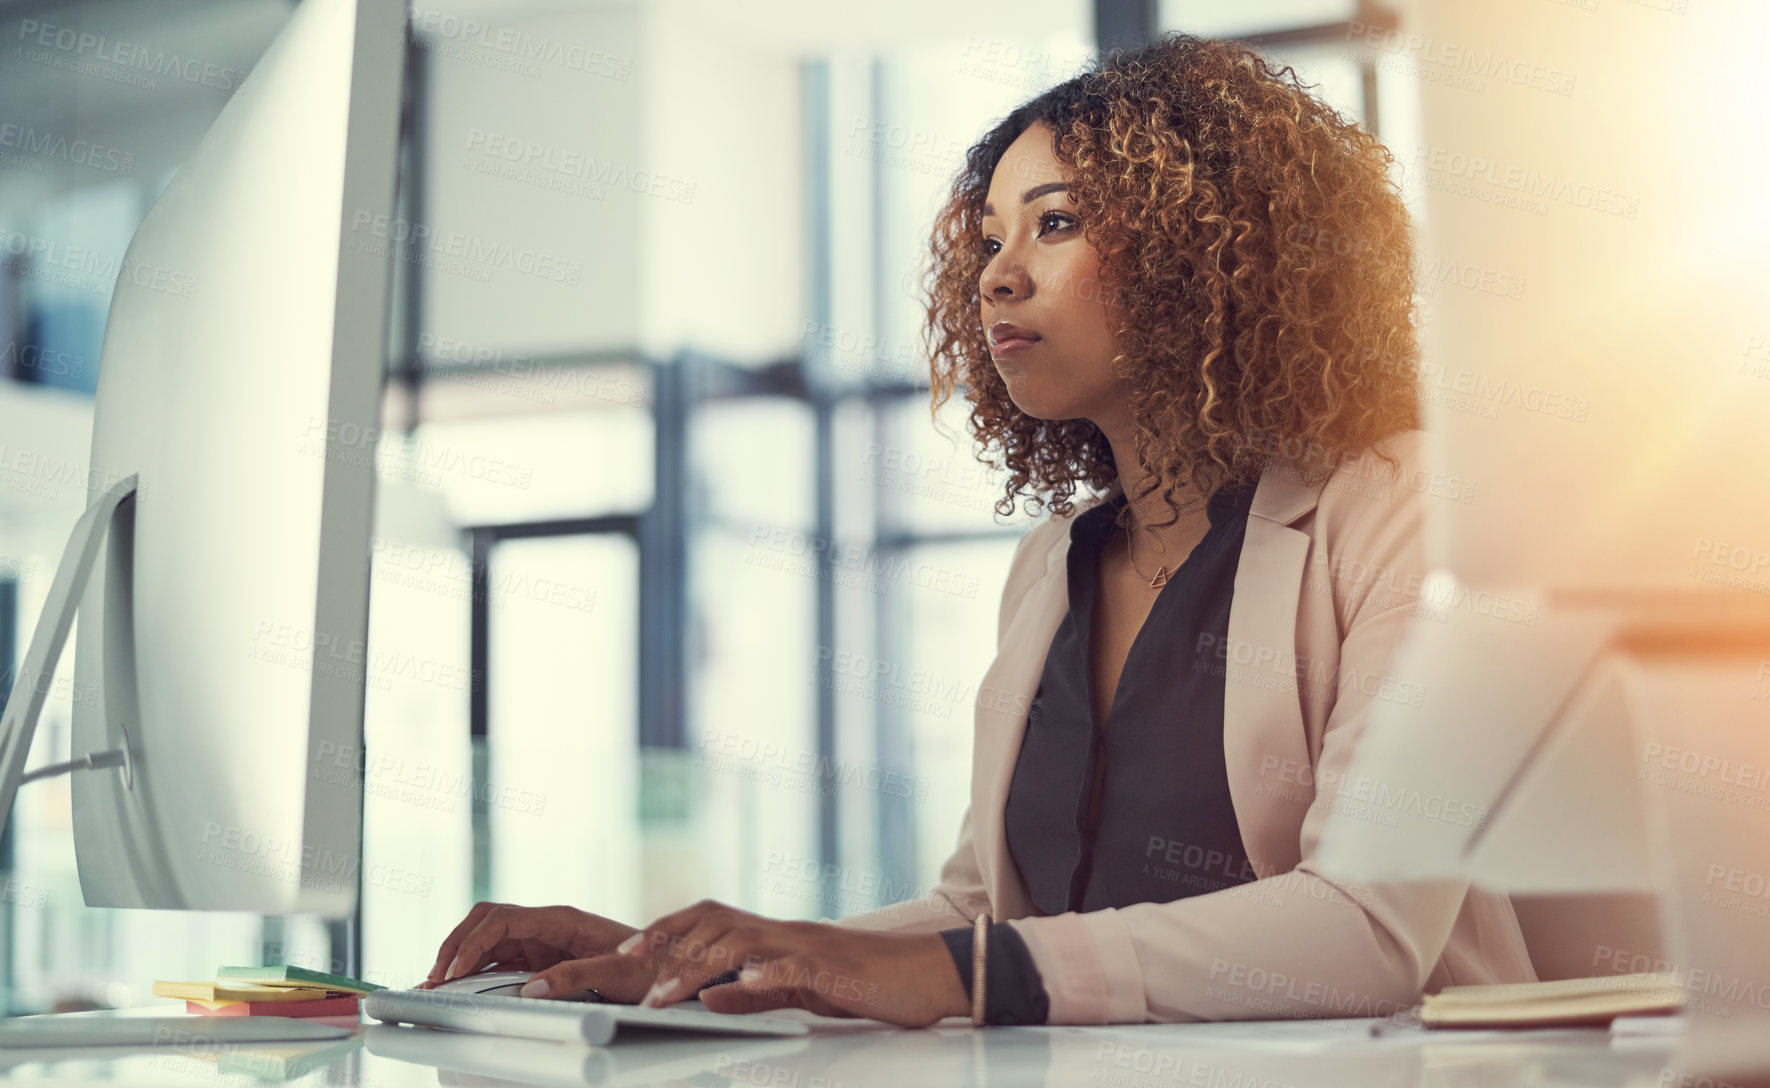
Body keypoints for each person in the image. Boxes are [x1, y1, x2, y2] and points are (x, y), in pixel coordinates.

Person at [421, 31, 1537, 1027]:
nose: (998, 275)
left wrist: (964, 971)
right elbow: (979, 911)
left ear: (1207, 249)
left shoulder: (1401, 506)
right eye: (992, 236)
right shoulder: (1054, 565)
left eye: (1056, 224)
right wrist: (680, 962)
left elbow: (1368, 927)